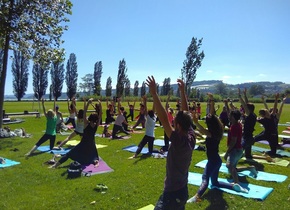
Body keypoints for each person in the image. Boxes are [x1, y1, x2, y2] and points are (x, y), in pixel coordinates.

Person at [146, 76, 196, 210]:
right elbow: (186, 114)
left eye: (174, 120)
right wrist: (182, 92)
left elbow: (163, 118)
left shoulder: (178, 140)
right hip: (182, 191)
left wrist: (154, 94)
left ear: (178, 125)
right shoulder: (191, 136)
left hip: (172, 194)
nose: (172, 121)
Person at [188, 93, 247, 203]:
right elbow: (212, 115)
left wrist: (196, 122)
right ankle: (234, 186)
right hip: (217, 161)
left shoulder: (211, 133)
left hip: (213, 161)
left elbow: (201, 129)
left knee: (205, 179)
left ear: (210, 125)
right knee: (214, 183)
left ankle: (197, 196)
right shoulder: (218, 130)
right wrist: (211, 100)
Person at [49, 98, 102, 168]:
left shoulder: (86, 124)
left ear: (90, 118)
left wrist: (88, 103)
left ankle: (55, 165)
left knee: (68, 154)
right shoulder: (96, 126)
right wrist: (100, 105)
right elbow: (100, 115)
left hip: (83, 144)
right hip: (91, 145)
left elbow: (85, 112)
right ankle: (96, 163)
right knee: (92, 157)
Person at [224, 110, 257, 185]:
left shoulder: (234, 127)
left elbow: (233, 141)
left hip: (235, 150)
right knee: (233, 169)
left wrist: (227, 152)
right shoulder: (238, 124)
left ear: (233, 117)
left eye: (230, 115)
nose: (228, 116)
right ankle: (250, 168)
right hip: (239, 150)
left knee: (229, 165)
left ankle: (236, 182)